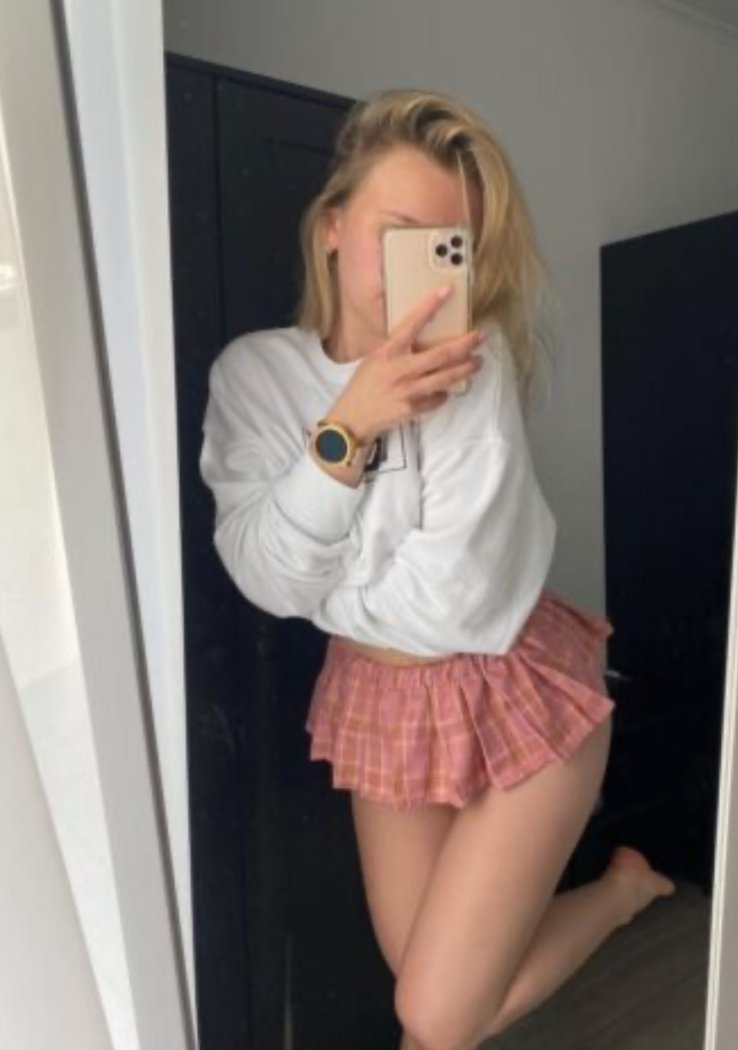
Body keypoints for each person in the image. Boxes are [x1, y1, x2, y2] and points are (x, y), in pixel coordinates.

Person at [199, 87, 676, 1050]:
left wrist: (331, 583)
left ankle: (620, 896)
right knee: (432, 1002)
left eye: (445, 245)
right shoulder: (254, 376)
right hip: (380, 701)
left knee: (433, 1012)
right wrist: (351, 423)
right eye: (397, 234)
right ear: (332, 228)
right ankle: (626, 886)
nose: (418, 269)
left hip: (516, 682)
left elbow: (458, 598)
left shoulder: (473, 361)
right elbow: (263, 581)